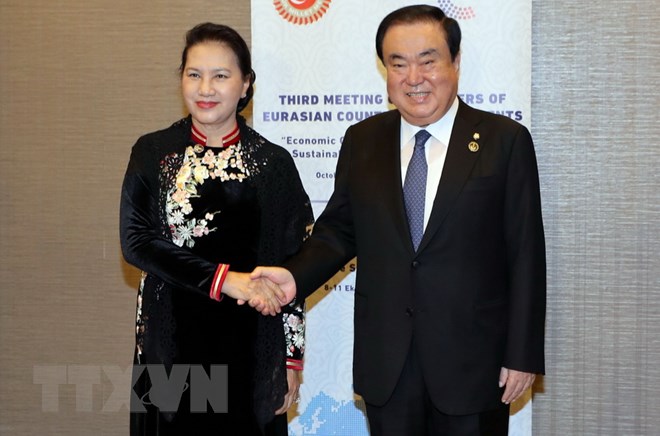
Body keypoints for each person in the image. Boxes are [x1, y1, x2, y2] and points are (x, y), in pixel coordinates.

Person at [251, 5, 546, 435]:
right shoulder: (363, 140)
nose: (414, 77)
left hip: (473, 364)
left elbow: (526, 255)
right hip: (387, 364)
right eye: (398, 63)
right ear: (385, 71)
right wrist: (294, 277)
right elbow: (339, 232)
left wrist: (522, 354)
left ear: (455, 61)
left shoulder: (504, 141)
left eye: (428, 61)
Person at [120, 22, 313, 435]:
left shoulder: (273, 163)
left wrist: (291, 358)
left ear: (245, 85)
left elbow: (295, 262)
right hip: (170, 340)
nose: (205, 88)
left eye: (221, 76)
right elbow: (137, 242)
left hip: (251, 344)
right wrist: (226, 281)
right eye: (195, 74)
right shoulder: (153, 152)